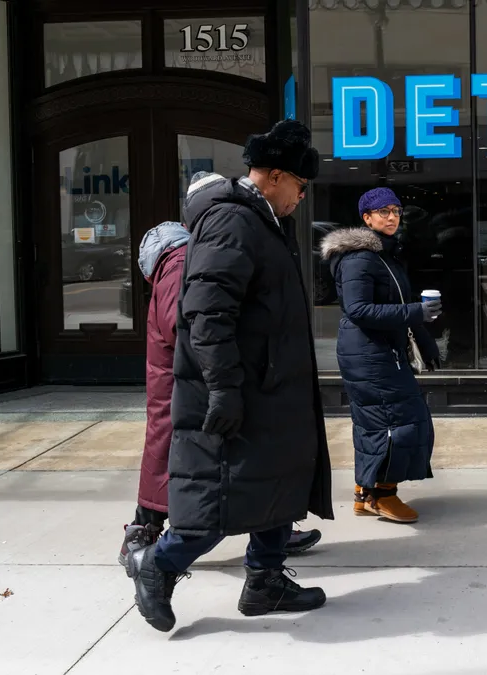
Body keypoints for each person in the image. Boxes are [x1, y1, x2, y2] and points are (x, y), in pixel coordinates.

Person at [125, 119, 333, 633]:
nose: (301, 199)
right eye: (301, 188)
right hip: (239, 389)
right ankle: (160, 564)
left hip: (270, 388)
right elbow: (205, 313)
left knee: (278, 480)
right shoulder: (232, 222)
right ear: (277, 176)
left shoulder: (262, 222)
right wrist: (222, 388)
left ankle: (264, 580)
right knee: (222, 493)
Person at [117, 218, 322, 568]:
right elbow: (188, 329)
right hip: (186, 388)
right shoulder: (181, 265)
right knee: (192, 466)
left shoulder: (178, 264)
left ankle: (270, 526)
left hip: (184, 386)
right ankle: (147, 537)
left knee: (188, 463)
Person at [320, 188, 441, 524]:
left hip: (382, 350)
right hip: (368, 353)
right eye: (383, 211)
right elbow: (359, 309)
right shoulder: (360, 257)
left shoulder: (386, 255)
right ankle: (382, 495)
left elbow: (398, 306)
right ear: (367, 218)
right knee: (397, 423)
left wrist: (425, 338)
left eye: (396, 211)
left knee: (377, 422)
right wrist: (418, 311)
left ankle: (364, 490)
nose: (392, 217)